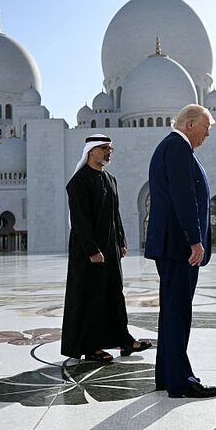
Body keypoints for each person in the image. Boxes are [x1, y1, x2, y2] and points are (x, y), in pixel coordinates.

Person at [145, 105, 216, 398]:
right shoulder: (177, 148)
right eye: (206, 128)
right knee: (178, 312)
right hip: (179, 246)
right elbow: (184, 196)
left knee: (172, 311)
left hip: (172, 244)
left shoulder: (171, 147)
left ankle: (167, 375)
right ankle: (181, 381)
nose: (207, 135)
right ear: (190, 124)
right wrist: (194, 240)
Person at [61, 134, 151, 363]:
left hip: (110, 248)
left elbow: (114, 214)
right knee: (92, 297)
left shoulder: (110, 179)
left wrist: (120, 242)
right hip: (87, 252)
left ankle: (124, 341)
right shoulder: (79, 182)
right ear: (91, 151)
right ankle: (91, 347)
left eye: (110, 148)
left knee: (114, 294)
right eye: (104, 148)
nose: (108, 152)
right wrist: (92, 250)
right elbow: (80, 220)